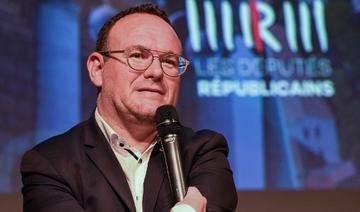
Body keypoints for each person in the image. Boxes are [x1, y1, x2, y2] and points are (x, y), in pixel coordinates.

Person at [21, 3, 237, 212]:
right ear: (97, 69)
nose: (156, 72)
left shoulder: (203, 152)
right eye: (137, 56)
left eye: (169, 61)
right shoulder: (50, 164)